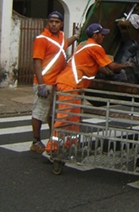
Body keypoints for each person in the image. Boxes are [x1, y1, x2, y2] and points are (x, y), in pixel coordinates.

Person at [46, 23, 131, 152]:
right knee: (64, 117)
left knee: (74, 118)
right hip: (70, 84)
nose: (103, 37)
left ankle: (71, 144)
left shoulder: (83, 44)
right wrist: (126, 65)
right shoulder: (95, 47)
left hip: (73, 85)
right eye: (102, 34)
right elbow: (112, 66)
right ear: (95, 35)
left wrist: (107, 73)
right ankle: (52, 148)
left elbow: (94, 64)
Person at [30, 11, 78, 154]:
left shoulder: (62, 37)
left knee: (53, 113)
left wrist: (75, 37)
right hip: (45, 82)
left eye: (57, 22)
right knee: (40, 112)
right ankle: (36, 141)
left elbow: (63, 46)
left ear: (61, 24)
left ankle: (53, 138)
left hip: (57, 82)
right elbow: (37, 62)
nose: (54, 24)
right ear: (47, 23)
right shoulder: (42, 39)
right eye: (51, 21)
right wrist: (41, 84)